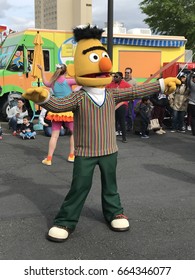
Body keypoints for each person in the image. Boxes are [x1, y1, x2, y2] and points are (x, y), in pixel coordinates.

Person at [23, 25, 181, 242]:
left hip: (109, 150)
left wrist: (161, 84)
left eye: (104, 57)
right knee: (79, 186)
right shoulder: (78, 97)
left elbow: (134, 90)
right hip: (85, 152)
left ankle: (115, 212)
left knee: (111, 185)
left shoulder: (112, 94)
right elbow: (59, 105)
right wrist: (43, 99)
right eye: (96, 58)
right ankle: (66, 220)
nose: (104, 64)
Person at [37, 64, 75, 164]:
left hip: (56, 110)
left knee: (54, 136)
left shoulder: (53, 82)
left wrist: (42, 70)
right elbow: (83, 82)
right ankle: (71, 155)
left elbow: (45, 82)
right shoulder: (69, 81)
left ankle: (49, 159)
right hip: (69, 110)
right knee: (73, 133)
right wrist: (77, 89)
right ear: (65, 72)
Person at [106, 71, 131, 143]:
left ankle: (124, 137)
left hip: (122, 104)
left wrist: (126, 100)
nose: (114, 78)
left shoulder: (126, 85)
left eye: (116, 77)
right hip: (113, 104)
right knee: (113, 121)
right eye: (114, 76)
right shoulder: (111, 84)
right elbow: (105, 90)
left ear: (121, 78)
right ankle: (112, 137)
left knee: (122, 120)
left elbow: (131, 93)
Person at [124, 67, 137, 131]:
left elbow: (136, 91)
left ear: (131, 73)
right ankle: (122, 127)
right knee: (122, 114)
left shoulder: (134, 81)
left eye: (128, 73)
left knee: (129, 114)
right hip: (122, 99)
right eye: (125, 72)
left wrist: (133, 98)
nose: (126, 74)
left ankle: (130, 127)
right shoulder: (122, 80)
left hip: (130, 100)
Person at [187, 70, 195, 136]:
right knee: (193, 118)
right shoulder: (192, 85)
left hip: (192, 103)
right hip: (192, 103)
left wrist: (191, 73)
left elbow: (188, 81)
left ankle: (194, 131)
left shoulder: (192, 85)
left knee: (193, 117)